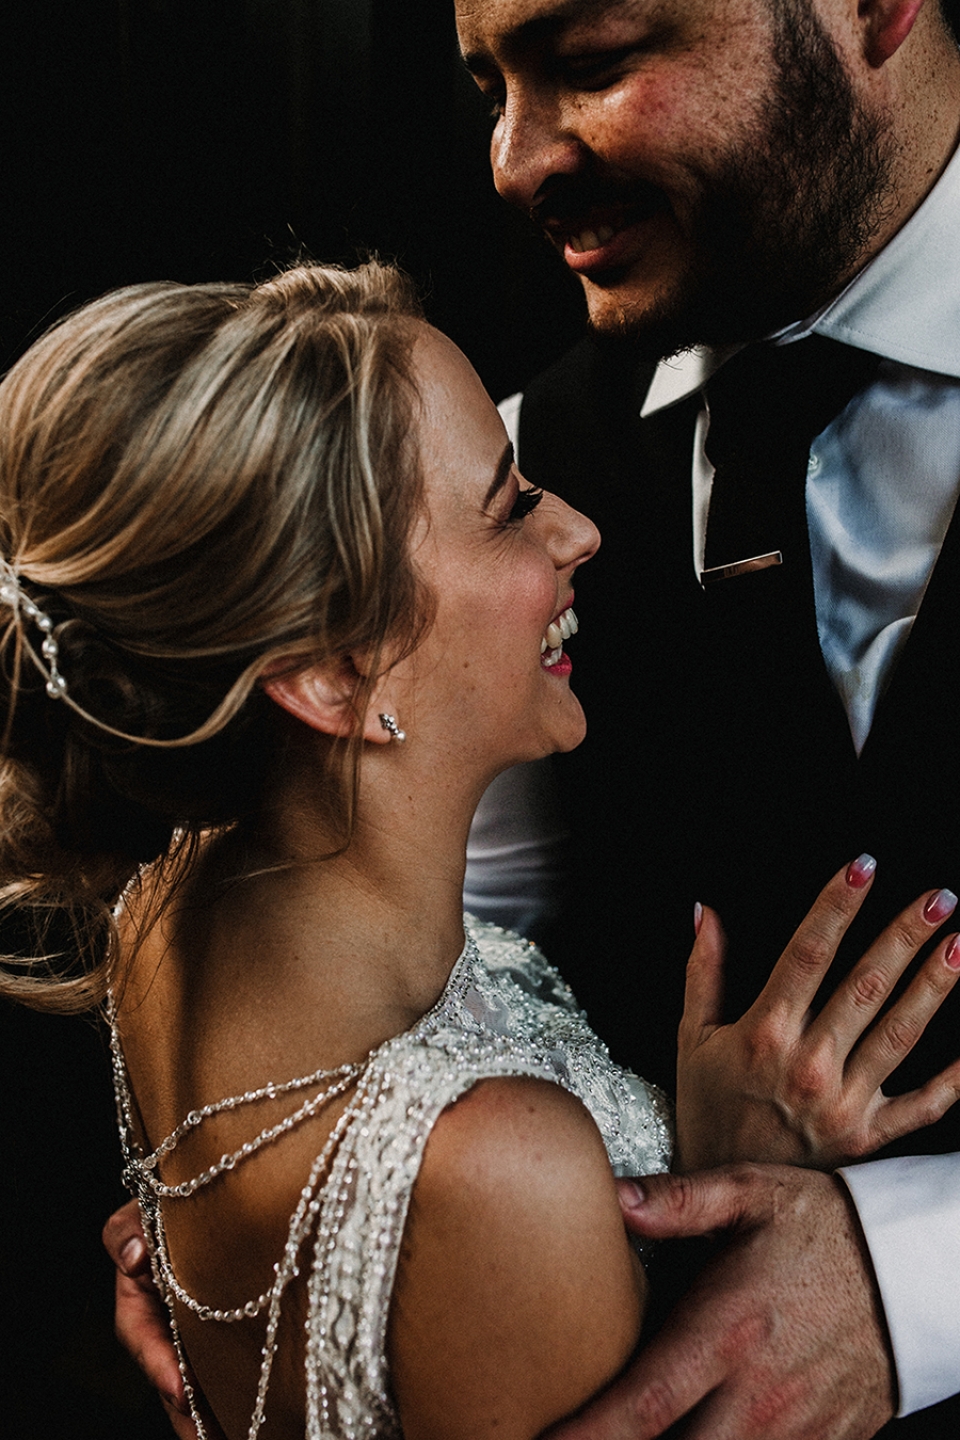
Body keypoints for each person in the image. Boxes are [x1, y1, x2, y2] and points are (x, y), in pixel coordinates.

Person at [5, 261, 960, 1440]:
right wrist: (716, 1214)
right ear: (327, 672)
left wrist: (704, 1158)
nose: (579, 528)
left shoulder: (170, 915)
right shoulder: (502, 1173)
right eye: (510, 506)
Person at [446, 0, 960, 1437]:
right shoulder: (514, 478)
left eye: (595, 61)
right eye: (492, 84)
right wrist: (286, 1189)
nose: (514, 157)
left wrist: (914, 1274)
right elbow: (459, 962)